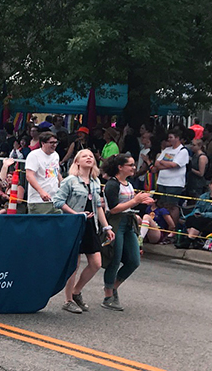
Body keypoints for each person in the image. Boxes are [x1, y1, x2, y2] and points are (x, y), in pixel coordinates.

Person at [52, 149, 115, 314]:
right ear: (77, 161)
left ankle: (77, 291)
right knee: (75, 264)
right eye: (85, 156)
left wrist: (106, 226)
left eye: (91, 156)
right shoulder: (70, 181)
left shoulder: (95, 182)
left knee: (96, 263)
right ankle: (68, 300)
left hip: (90, 226)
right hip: (74, 225)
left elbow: (98, 206)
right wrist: (76, 214)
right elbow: (58, 201)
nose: (89, 158)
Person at [101, 153, 154, 311]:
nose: (133, 168)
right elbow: (113, 209)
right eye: (130, 165)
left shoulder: (128, 183)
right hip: (116, 222)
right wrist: (135, 201)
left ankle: (114, 286)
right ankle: (108, 295)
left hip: (128, 222)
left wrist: (135, 208)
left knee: (134, 260)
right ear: (120, 167)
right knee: (114, 259)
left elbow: (127, 205)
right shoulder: (112, 184)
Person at [153, 129, 191, 218]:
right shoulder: (167, 149)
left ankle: (173, 226)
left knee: (172, 205)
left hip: (174, 183)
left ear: (177, 138)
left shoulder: (182, 150)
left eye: (171, 137)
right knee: (162, 204)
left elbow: (174, 164)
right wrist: (167, 165)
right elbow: (156, 163)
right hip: (162, 181)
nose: (169, 139)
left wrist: (163, 163)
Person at [26, 131, 62, 214]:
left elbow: (55, 172)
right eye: (51, 143)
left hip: (55, 199)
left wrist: (62, 185)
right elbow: (29, 175)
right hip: (38, 200)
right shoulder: (34, 155)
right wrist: (41, 191)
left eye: (56, 142)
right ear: (43, 143)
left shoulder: (55, 155)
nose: (54, 145)